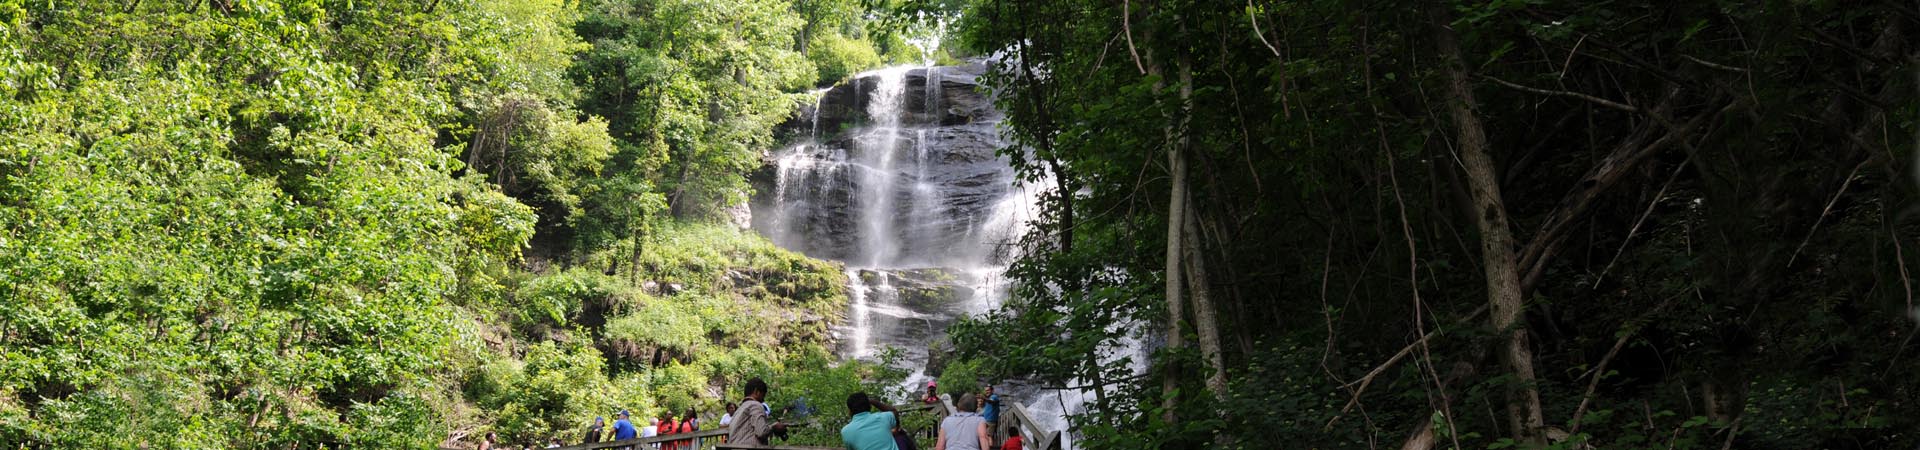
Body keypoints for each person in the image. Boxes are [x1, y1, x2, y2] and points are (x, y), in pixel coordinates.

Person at [728, 377, 788, 445]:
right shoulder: (755, 405)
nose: (763, 400)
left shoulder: (739, 409)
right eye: (763, 395)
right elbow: (761, 432)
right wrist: (774, 427)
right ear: (756, 391)